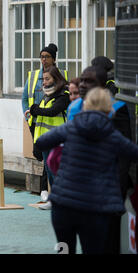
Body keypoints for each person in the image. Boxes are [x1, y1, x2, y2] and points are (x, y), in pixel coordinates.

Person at [35, 87, 138, 254]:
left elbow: (41, 142)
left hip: (63, 205)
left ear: (86, 105)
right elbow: (134, 153)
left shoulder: (71, 127)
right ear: (108, 108)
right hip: (95, 207)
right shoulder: (112, 135)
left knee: (65, 249)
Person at [91, 56, 134, 254]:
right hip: (90, 184)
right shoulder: (81, 105)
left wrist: (121, 182)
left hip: (111, 183)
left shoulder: (117, 106)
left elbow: (124, 149)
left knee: (111, 236)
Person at [21, 43, 68, 203]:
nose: (43, 59)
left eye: (46, 56)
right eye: (41, 56)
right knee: (45, 162)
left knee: (53, 165)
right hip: (37, 126)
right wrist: (29, 117)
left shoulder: (62, 85)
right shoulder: (34, 76)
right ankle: (46, 192)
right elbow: (25, 99)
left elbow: (56, 109)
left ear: (53, 59)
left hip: (55, 132)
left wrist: (36, 110)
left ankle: (50, 193)